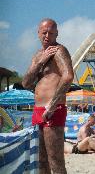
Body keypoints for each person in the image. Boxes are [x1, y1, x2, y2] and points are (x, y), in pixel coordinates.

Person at [22, 18, 74, 174]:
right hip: (38, 109)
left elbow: (68, 76)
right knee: (40, 160)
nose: (47, 36)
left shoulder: (59, 50)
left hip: (53, 108)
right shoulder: (38, 55)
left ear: (56, 34)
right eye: (44, 32)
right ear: (38, 33)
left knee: (55, 160)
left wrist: (52, 104)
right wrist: (40, 62)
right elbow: (26, 83)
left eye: (51, 33)